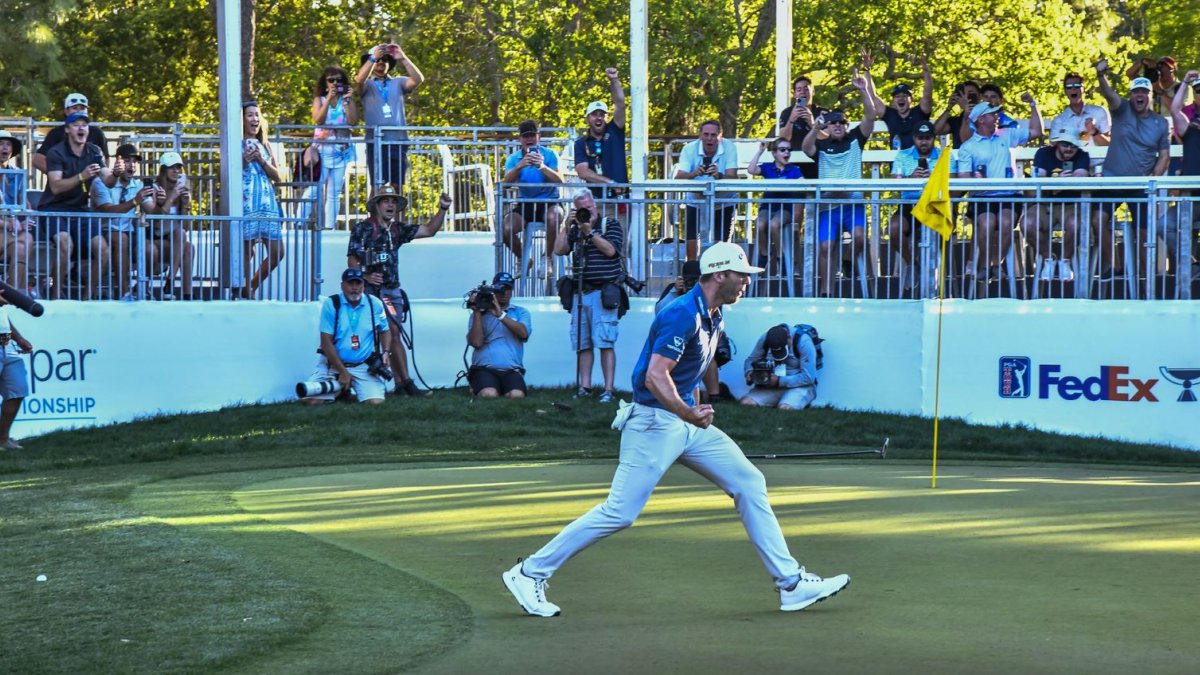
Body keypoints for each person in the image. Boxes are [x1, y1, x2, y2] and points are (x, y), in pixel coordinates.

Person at [501, 241, 849, 618]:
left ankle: (791, 584)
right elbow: (655, 377)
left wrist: (694, 406)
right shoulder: (681, 314)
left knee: (749, 482)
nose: (747, 282)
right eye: (741, 275)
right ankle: (529, 572)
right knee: (620, 512)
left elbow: (690, 370)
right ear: (720, 275)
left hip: (684, 422)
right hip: (654, 422)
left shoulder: (714, 313)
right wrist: (688, 412)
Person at [347, 183, 451, 397]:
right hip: (373, 293)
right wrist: (365, 277)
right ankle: (404, 384)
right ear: (376, 205)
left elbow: (429, 230)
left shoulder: (397, 229)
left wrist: (442, 209)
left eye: (393, 201)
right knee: (392, 333)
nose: (390, 205)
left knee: (393, 335)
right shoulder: (362, 228)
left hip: (393, 291)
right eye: (386, 201)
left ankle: (401, 384)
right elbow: (352, 261)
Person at [800, 68, 877, 297]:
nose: (837, 126)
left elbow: (871, 115)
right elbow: (805, 148)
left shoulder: (856, 140)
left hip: (853, 204)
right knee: (824, 247)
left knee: (860, 237)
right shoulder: (821, 146)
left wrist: (863, 90)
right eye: (832, 123)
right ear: (827, 126)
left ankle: (847, 261)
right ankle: (826, 292)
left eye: (841, 122)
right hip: (828, 206)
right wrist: (815, 126)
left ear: (846, 124)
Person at [1095, 60, 1170, 281]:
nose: (1139, 95)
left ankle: (1145, 279)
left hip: (1140, 186)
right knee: (1096, 219)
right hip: (1112, 181)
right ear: (1131, 95)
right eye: (1136, 91)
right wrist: (1101, 75)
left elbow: (1164, 156)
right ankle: (1115, 266)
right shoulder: (1121, 109)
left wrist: (1152, 181)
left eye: (1144, 92)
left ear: (1150, 96)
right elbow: (1109, 93)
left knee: (1144, 232)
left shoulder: (1160, 123)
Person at [36, 111, 115, 300]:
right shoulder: (56, 152)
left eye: (85, 125)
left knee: (103, 249)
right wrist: (82, 176)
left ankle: (87, 298)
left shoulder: (94, 151)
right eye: (76, 124)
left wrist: (117, 173)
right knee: (65, 244)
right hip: (53, 209)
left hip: (80, 210)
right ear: (67, 129)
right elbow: (55, 187)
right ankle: (55, 297)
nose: (81, 128)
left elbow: (109, 181)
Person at [555, 188, 624, 403]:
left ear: (595, 205)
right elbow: (558, 250)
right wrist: (566, 225)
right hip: (580, 294)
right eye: (580, 209)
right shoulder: (574, 228)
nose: (586, 212)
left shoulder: (609, 225)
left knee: (605, 342)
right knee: (582, 344)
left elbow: (611, 251)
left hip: (602, 293)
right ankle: (585, 386)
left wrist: (589, 232)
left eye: (588, 207)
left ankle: (608, 389)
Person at [954, 102, 1033, 273]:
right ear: (981, 120)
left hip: (1009, 194)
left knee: (1006, 222)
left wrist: (1033, 105)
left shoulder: (1007, 134)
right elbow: (963, 179)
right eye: (992, 114)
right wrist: (974, 178)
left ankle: (995, 265)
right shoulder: (967, 147)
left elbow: (1037, 132)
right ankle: (985, 266)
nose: (997, 116)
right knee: (987, 222)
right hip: (982, 196)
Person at [302, 268, 392, 405]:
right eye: (350, 284)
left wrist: (386, 352)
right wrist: (343, 372)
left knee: (375, 402)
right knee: (311, 400)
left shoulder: (375, 304)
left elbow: (385, 330)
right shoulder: (332, 304)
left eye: (358, 283)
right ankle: (342, 387)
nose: (355, 288)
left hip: (363, 364)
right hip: (332, 365)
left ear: (364, 285)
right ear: (342, 285)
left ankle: (343, 390)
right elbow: (326, 343)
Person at [354, 42, 425, 189]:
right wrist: (373, 58)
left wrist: (403, 58)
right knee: (378, 187)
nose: (381, 63)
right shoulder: (367, 84)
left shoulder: (398, 82)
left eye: (385, 60)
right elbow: (359, 79)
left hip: (399, 142)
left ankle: (398, 213)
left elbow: (418, 80)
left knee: (397, 186)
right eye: (378, 60)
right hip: (376, 142)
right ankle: (375, 213)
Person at [91, 144, 156, 301]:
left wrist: (160, 202)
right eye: (127, 160)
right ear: (117, 162)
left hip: (130, 233)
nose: (132, 165)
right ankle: (124, 293)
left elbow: (152, 211)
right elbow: (108, 211)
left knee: (151, 249)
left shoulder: (138, 185)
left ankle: (142, 289)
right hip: (102, 231)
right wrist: (135, 201)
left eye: (134, 162)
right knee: (121, 238)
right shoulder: (101, 182)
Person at [501, 120, 563, 279]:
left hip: (550, 201)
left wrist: (542, 166)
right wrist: (519, 167)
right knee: (506, 228)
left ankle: (547, 258)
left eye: (532, 135)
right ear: (520, 139)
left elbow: (559, 180)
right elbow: (505, 185)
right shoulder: (514, 159)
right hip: (526, 203)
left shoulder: (550, 154)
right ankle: (523, 258)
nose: (529, 139)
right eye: (525, 136)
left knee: (554, 217)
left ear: (538, 137)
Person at [1029, 130, 1094, 283]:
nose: (1069, 149)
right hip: (1044, 203)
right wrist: (1057, 180)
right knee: (1027, 224)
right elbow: (1039, 180)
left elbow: (1080, 177)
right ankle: (1048, 259)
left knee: (1077, 224)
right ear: (1057, 144)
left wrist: (1056, 184)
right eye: (1065, 144)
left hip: (1071, 205)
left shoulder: (1082, 155)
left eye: (1073, 146)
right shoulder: (1043, 153)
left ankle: (1065, 260)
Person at [655, 259, 722, 402]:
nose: (691, 283)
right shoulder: (673, 290)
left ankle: (714, 395)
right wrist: (675, 291)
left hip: (704, 335)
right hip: (676, 336)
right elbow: (660, 310)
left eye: (695, 279)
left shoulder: (709, 290)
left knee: (706, 357)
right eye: (688, 279)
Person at [888, 121, 945, 282]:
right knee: (894, 228)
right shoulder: (903, 155)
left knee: (938, 232)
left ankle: (934, 281)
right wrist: (910, 178)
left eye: (928, 138)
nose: (924, 141)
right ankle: (913, 264)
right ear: (914, 138)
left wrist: (933, 179)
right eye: (920, 138)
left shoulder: (944, 156)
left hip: (936, 204)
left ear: (934, 138)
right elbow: (893, 182)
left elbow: (952, 184)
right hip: (910, 204)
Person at [673, 120, 739, 261]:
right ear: (700, 135)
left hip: (723, 200)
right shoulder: (689, 149)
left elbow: (733, 177)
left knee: (721, 243)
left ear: (720, 136)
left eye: (713, 135)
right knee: (691, 238)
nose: (710, 138)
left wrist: (719, 175)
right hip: (696, 199)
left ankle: (718, 272)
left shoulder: (729, 147)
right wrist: (694, 174)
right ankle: (692, 273)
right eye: (706, 134)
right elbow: (678, 176)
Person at [240, 101, 285, 299]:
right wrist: (244, 160)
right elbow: (223, 174)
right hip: (246, 203)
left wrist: (261, 159)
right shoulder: (235, 144)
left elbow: (278, 176)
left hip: (267, 205)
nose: (255, 119)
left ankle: (251, 285)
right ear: (241, 120)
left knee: (277, 252)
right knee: (246, 252)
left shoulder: (265, 145)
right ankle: (245, 292)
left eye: (257, 115)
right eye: (250, 115)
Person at [305, 65, 359, 230]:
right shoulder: (319, 100)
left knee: (334, 193)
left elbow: (352, 122)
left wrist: (347, 101)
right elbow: (318, 120)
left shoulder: (347, 100)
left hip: (341, 150)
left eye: (339, 80)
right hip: (322, 151)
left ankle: (329, 227)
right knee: (314, 189)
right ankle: (295, 223)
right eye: (331, 80)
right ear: (325, 82)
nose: (335, 83)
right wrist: (328, 98)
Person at [466, 272, 531, 399]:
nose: (504, 293)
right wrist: (477, 312)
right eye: (500, 288)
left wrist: (500, 315)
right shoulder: (480, 314)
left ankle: (501, 387)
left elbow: (523, 334)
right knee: (489, 394)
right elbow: (476, 343)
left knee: (517, 395)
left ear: (512, 290)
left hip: (512, 370)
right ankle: (487, 386)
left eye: (507, 289)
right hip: (484, 368)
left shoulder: (520, 312)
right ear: (493, 290)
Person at [746, 138, 803, 276]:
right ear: (774, 153)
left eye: (789, 150)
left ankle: (780, 257)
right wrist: (760, 151)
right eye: (783, 150)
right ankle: (765, 254)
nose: (787, 153)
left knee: (774, 224)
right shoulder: (767, 167)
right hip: (768, 206)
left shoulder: (794, 170)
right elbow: (751, 169)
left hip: (785, 207)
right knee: (759, 223)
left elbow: (803, 184)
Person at [146, 152, 196, 300]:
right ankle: (170, 283)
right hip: (155, 237)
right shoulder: (155, 189)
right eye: (171, 167)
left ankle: (184, 292)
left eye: (178, 167)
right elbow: (156, 223)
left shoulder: (181, 190)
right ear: (163, 170)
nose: (176, 171)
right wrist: (171, 197)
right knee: (181, 238)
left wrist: (186, 205)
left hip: (174, 240)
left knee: (187, 244)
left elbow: (186, 226)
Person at [573, 68, 628, 204]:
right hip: (593, 203)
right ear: (587, 118)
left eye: (602, 114)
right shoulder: (581, 143)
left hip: (619, 201)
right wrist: (610, 183)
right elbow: (583, 172)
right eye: (594, 114)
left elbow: (620, 104)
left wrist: (614, 79)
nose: (598, 118)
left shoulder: (615, 131)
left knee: (619, 226)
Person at [739, 323, 822, 410]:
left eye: (782, 350)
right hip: (772, 386)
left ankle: (794, 401)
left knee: (785, 409)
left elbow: (809, 377)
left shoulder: (803, 341)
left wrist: (779, 380)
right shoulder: (765, 339)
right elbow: (751, 360)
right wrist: (749, 372)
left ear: (789, 338)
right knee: (746, 403)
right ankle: (785, 401)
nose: (779, 355)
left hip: (800, 386)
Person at [32, 93, 109, 175]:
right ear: (66, 111)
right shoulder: (56, 133)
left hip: (91, 185)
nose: (79, 111)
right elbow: (38, 160)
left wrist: (100, 180)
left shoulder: (97, 133)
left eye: (82, 108)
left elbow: (105, 160)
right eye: (74, 108)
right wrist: (59, 175)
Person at [868, 53, 933, 150]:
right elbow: (872, 96)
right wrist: (866, 70)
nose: (901, 98)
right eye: (897, 96)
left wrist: (926, 71)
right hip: (896, 162)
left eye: (905, 96)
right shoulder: (890, 114)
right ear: (893, 101)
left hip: (917, 161)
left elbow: (927, 94)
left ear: (912, 99)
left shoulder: (920, 112)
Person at [0, 130, 34, 292]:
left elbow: (24, 202)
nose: (4, 148)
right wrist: (6, 223)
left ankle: (13, 295)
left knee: (25, 241)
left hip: (10, 231)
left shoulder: (16, 172)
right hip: (3, 227)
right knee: (23, 241)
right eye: (0, 143)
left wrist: (27, 218)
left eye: (8, 144)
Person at [0, 289, 33, 450]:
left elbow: (4, 317)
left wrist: (19, 338)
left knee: (17, 390)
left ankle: (2, 438)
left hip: (7, 345)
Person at [777, 75, 828, 178]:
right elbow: (783, 139)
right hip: (793, 161)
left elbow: (828, 138)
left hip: (818, 161)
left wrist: (812, 124)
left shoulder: (822, 112)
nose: (803, 92)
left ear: (813, 92)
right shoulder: (787, 113)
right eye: (799, 90)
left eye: (806, 89)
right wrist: (791, 120)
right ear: (795, 94)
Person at [1048, 73, 1111, 150]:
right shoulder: (1059, 120)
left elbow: (1110, 145)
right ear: (1065, 91)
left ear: (1083, 88)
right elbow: (1054, 149)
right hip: (1071, 161)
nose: (1073, 89)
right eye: (1069, 87)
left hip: (1098, 161)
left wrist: (1094, 132)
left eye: (1077, 86)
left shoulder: (1098, 112)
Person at [933, 81, 980, 149]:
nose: (965, 98)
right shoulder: (957, 120)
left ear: (979, 97)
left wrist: (967, 111)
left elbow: (967, 141)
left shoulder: (986, 117)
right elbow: (935, 131)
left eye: (970, 94)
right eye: (963, 94)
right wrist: (949, 107)